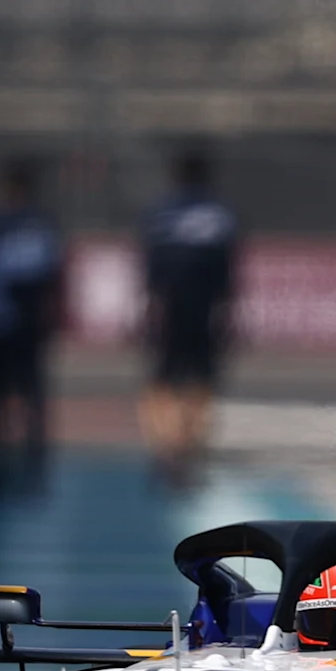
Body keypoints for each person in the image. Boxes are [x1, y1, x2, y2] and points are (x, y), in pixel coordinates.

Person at [137, 149, 239, 486]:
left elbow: (148, 268)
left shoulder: (161, 213)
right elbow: (229, 273)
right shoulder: (220, 215)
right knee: (201, 380)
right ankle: (191, 449)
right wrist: (228, 313)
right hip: (206, 309)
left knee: (162, 380)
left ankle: (164, 448)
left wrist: (148, 309)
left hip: (167, 309)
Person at [0, 157, 65, 496]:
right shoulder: (42, 224)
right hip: (27, 324)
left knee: (0, 396)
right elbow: (53, 277)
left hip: (4, 322)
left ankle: (2, 464)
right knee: (27, 396)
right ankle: (30, 465)